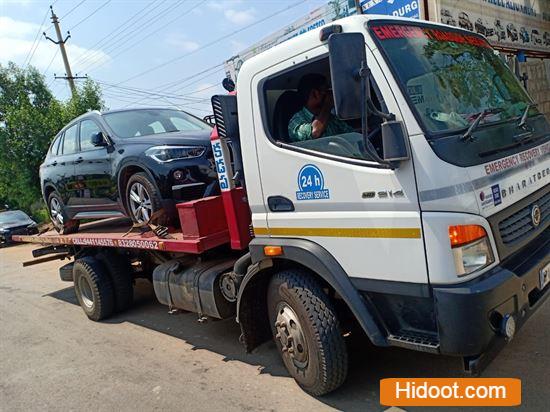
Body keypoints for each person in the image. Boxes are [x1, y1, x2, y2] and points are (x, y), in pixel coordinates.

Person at [287, 73, 353, 143]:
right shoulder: (296, 121)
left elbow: (351, 134)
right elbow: (315, 132)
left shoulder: (331, 118)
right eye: (326, 90)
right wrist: (327, 105)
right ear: (315, 93)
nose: (330, 94)